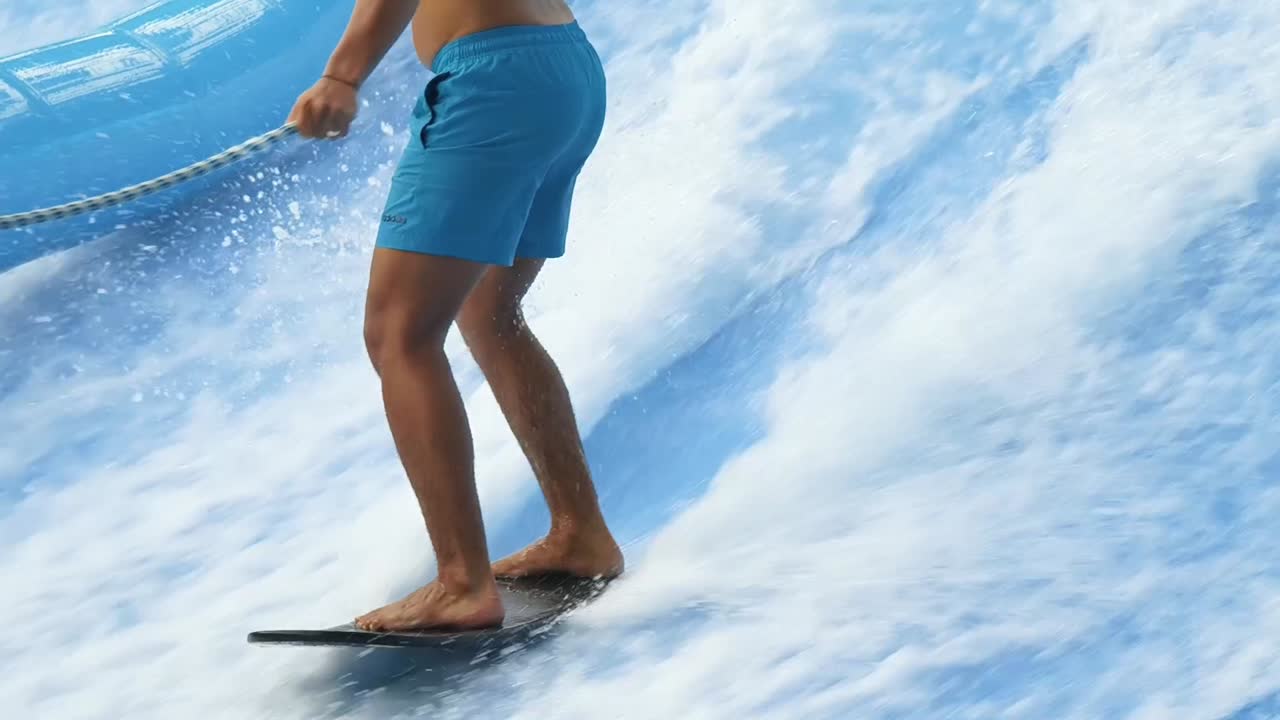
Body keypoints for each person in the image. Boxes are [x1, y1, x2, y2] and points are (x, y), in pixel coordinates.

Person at [286, 0, 622, 632]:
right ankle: (581, 535)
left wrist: (342, 76)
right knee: (490, 311)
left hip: (491, 83)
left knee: (400, 336)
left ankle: (463, 585)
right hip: (561, 65)